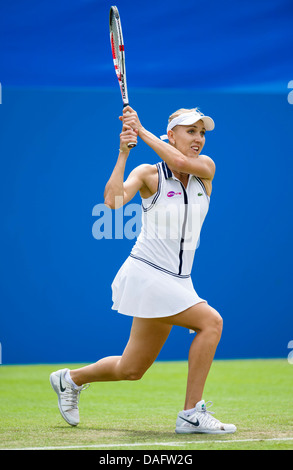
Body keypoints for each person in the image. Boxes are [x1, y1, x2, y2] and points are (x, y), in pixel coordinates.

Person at [50, 105, 236, 434]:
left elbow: (179, 162)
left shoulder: (205, 169)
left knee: (131, 368)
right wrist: (123, 154)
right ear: (172, 135)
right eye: (190, 131)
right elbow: (112, 201)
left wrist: (141, 129)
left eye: (202, 133)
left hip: (180, 281)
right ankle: (191, 413)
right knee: (211, 322)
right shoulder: (149, 174)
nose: (198, 138)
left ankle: (70, 379)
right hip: (147, 274)